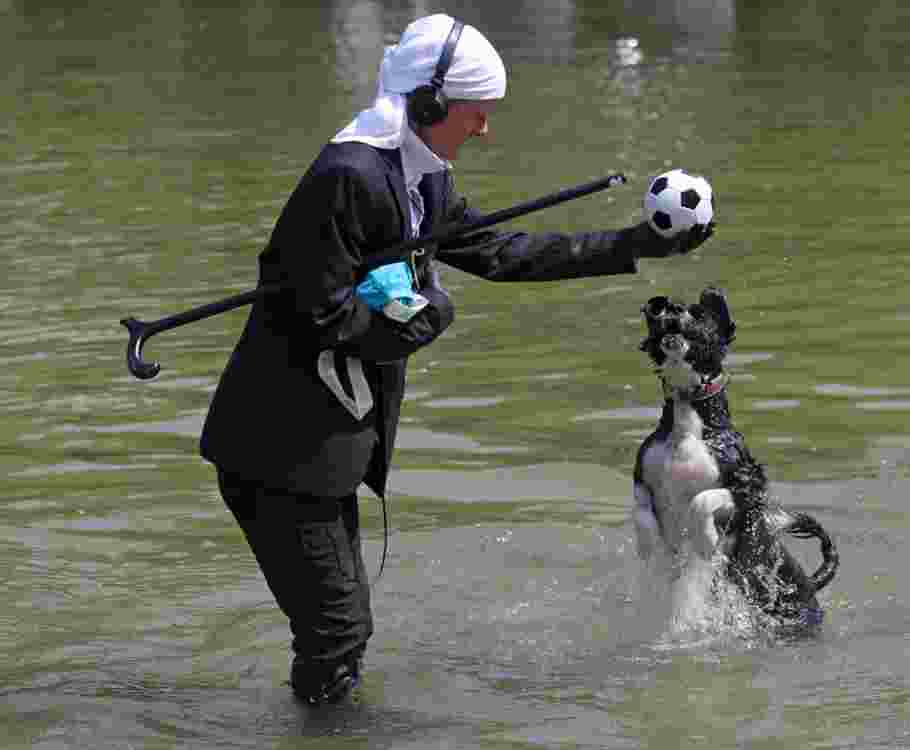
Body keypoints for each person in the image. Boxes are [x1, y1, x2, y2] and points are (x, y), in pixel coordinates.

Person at [199, 13, 714, 706]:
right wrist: (425, 317)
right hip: (276, 449)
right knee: (338, 631)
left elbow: (500, 253)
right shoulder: (348, 177)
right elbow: (316, 314)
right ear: (434, 105)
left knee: (339, 630)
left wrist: (633, 247)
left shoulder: (421, 176)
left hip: (325, 446)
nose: (485, 130)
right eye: (479, 114)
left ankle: (323, 726)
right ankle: (327, 727)